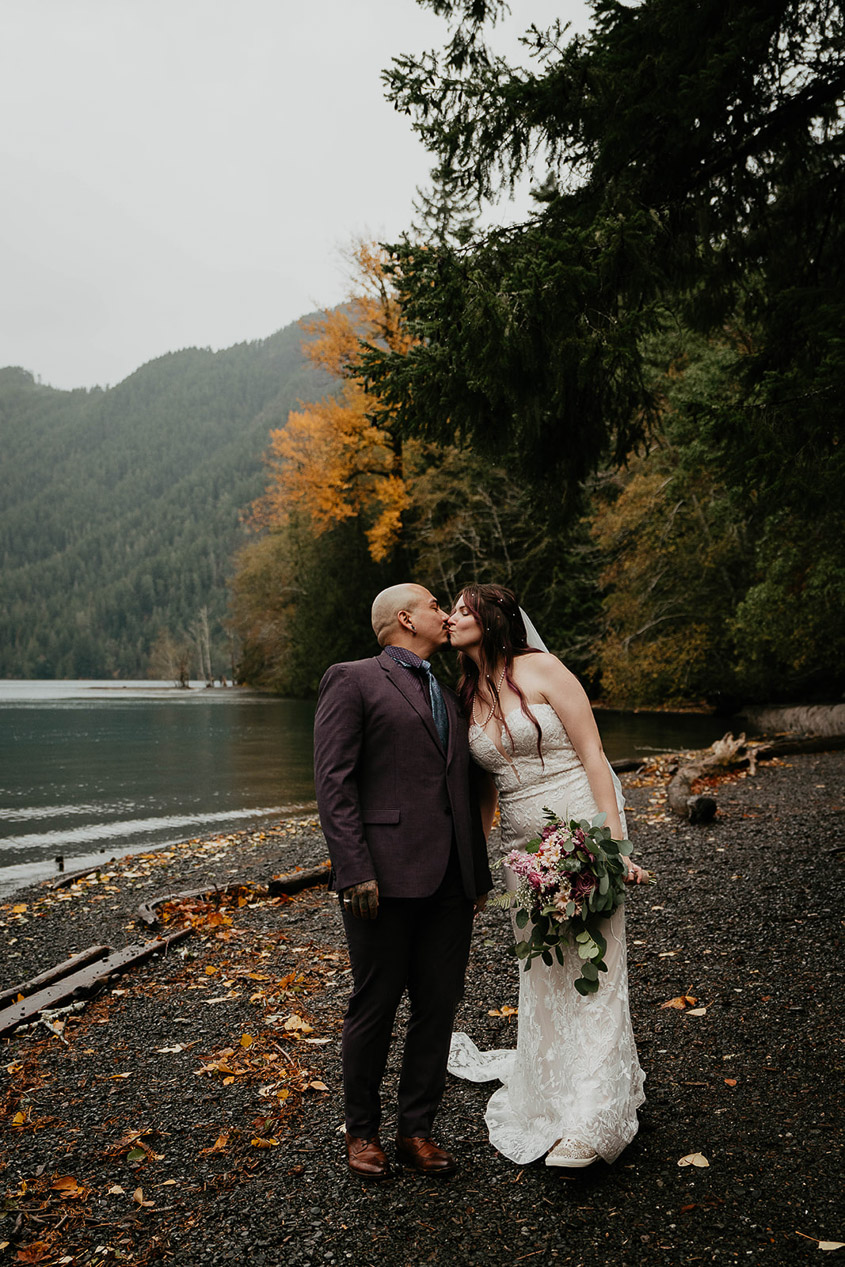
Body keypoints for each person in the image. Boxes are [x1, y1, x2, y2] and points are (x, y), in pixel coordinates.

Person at [445, 583, 647, 1169]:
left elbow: (593, 754)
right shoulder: (464, 694)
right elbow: (484, 795)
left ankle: (594, 1116)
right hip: (519, 847)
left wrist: (616, 844)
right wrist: (471, 862)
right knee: (545, 970)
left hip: (580, 825)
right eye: (451, 610)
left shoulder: (544, 669)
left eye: (462, 608)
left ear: (494, 618)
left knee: (596, 964)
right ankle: (552, 1088)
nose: (453, 617)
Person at [313, 583, 493, 1181]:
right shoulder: (352, 678)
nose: (447, 615)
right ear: (405, 618)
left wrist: (476, 873)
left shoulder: (448, 692)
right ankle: (360, 1133)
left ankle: (417, 1129)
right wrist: (354, 867)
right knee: (375, 1005)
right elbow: (333, 782)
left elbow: (462, 791)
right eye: (438, 606)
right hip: (381, 878)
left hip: (450, 878)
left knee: (438, 1007)